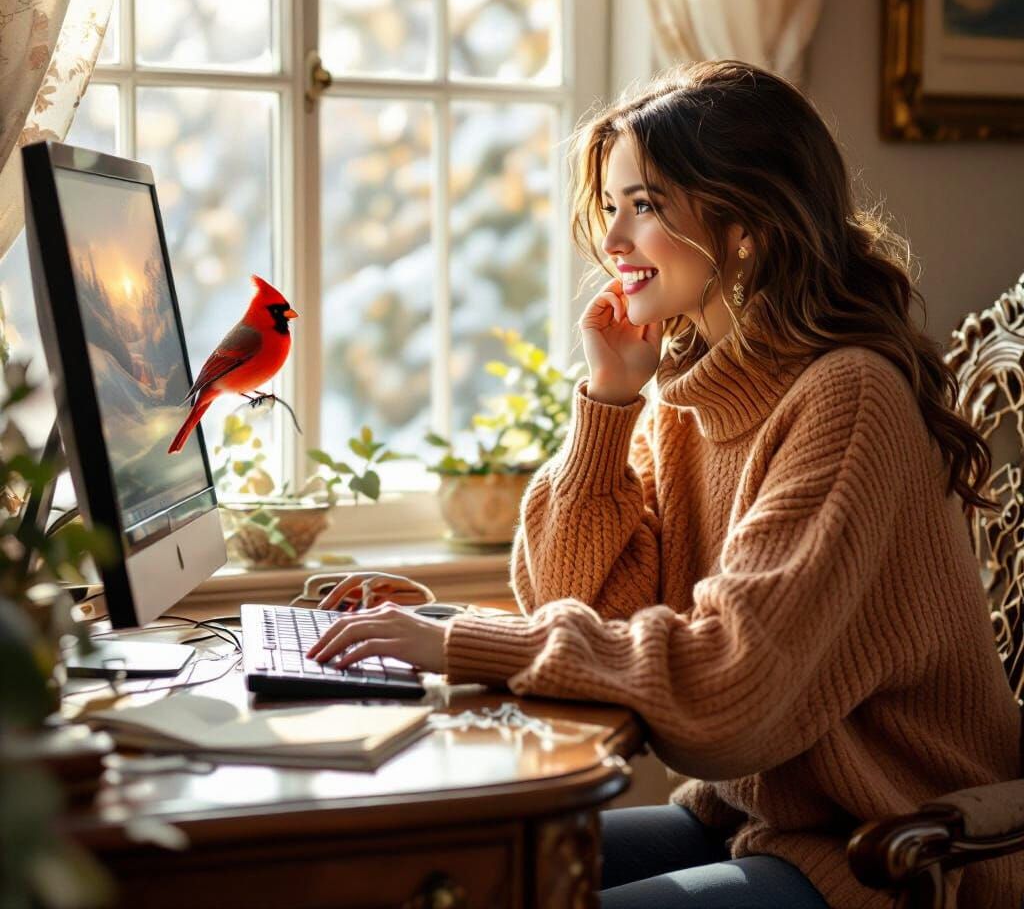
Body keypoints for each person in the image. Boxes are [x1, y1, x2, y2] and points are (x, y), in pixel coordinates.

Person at [307, 60, 1023, 908]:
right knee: (433, 875)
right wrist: (609, 402)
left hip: (893, 856)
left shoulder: (848, 398)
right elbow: (572, 601)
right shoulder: (690, 396)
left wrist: (462, 640)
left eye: (643, 206)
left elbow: (728, 692)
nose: (612, 242)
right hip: (756, 821)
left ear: (744, 228)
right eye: (611, 207)